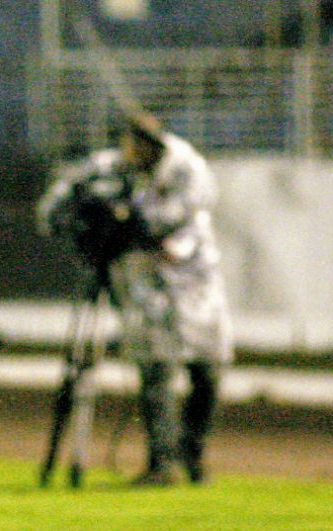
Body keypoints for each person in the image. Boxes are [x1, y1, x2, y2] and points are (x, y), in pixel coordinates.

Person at [40, 114, 233, 486]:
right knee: (156, 368)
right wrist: (81, 219)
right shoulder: (106, 168)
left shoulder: (187, 167)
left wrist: (126, 216)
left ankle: (192, 455)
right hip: (141, 280)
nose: (136, 153)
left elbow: (167, 218)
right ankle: (162, 463)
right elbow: (52, 210)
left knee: (208, 367)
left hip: (196, 281)